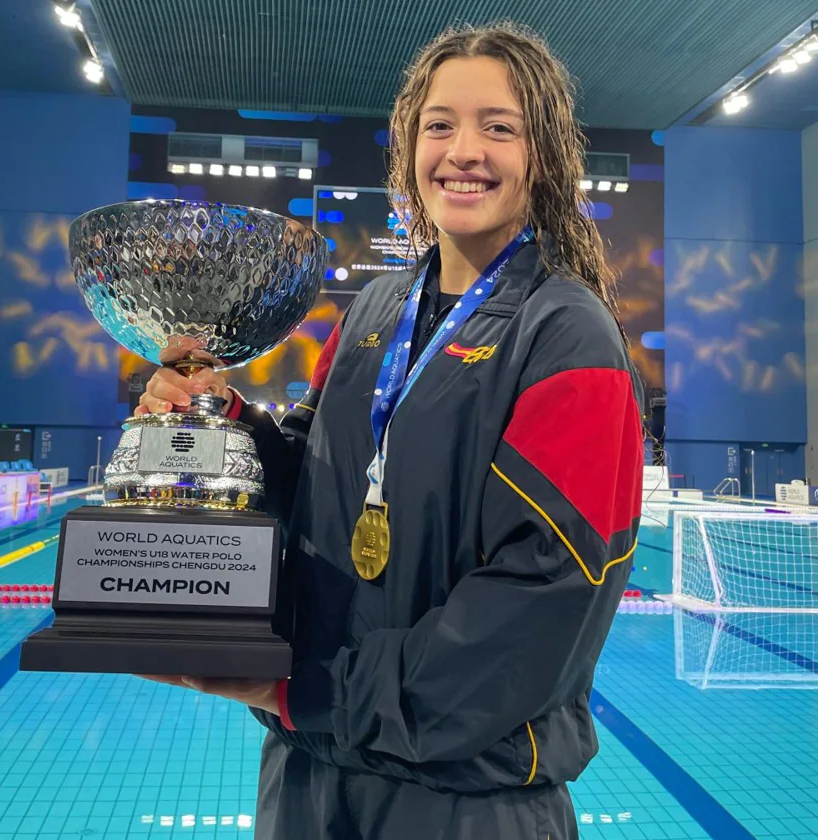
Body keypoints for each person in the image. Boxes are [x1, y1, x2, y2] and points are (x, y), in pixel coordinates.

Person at [136, 21, 644, 840]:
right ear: (410, 149)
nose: (463, 150)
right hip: (308, 776)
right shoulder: (373, 312)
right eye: (439, 125)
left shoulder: (567, 338)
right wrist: (217, 422)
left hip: (462, 799)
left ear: (541, 154)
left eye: (498, 127)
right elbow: (312, 476)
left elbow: (545, 594)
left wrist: (309, 690)